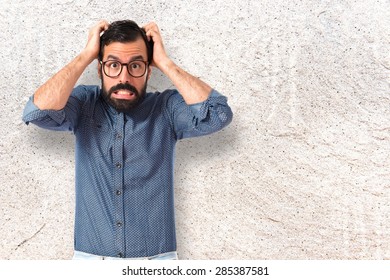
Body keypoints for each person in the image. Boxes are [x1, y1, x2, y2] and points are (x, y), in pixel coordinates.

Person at [22, 20, 233, 260]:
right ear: (100, 69)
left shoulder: (166, 108)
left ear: (148, 70)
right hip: (90, 264)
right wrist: (86, 55)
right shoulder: (84, 104)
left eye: (135, 65)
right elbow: (36, 111)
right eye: (113, 65)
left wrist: (165, 61)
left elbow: (219, 115)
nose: (124, 77)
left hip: (156, 264)